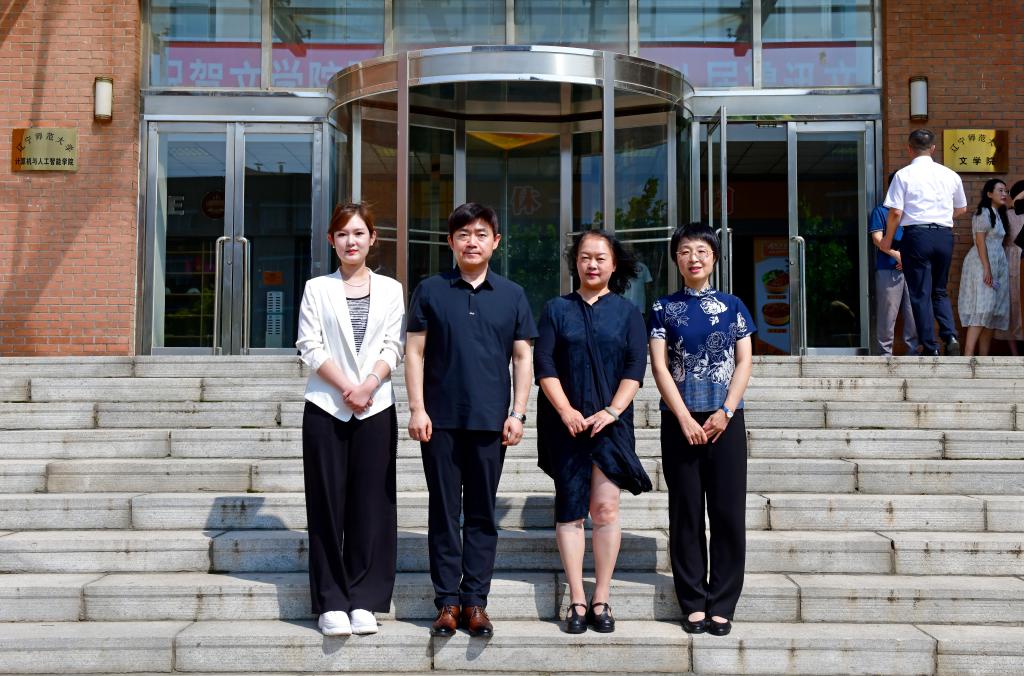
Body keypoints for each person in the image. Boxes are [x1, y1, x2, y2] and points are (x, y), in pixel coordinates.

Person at [405, 202, 537, 638]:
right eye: (463, 234)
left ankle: (476, 602)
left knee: (481, 514)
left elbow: (523, 357)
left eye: (481, 234)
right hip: (439, 421)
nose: (472, 242)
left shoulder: (513, 294)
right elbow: (415, 352)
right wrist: (417, 408)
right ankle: (446, 602)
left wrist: (518, 412)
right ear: (450, 242)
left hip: (490, 422)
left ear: (495, 242)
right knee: (443, 512)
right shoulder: (430, 289)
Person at [295, 202, 406, 637]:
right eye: (342, 234)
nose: (351, 241)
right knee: (326, 504)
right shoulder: (317, 288)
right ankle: (330, 601)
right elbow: (309, 345)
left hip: (376, 406)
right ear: (331, 241)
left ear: (372, 238)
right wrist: (348, 387)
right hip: (327, 405)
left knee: (371, 504)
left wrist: (369, 385)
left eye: (359, 233)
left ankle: (364, 599)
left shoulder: (391, 289)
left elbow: (394, 345)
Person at [534, 230, 652, 635]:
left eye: (601, 258)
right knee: (570, 510)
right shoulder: (556, 309)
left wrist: (613, 411)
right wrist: (566, 410)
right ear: (576, 262)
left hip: (610, 425)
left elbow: (635, 367)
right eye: (585, 257)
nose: (592, 264)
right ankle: (577, 598)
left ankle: (601, 596)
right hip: (565, 424)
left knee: (604, 510)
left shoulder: (628, 313)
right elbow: (544, 364)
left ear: (614, 265)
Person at [649, 222, 755, 638]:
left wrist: (726, 411)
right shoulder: (662, 307)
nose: (693, 258)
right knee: (686, 512)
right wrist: (683, 417)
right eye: (685, 251)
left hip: (725, 422)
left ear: (714, 258)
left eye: (701, 251)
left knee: (727, 512)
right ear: (676, 259)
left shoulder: (733, 306)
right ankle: (693, 602)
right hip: (681, 421)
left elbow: (744, 362)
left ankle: (723, 603)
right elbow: (659, 366)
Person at [881, 128, 968, 356]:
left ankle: (931, 347)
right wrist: (942, 217)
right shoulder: (950, 175)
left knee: (920, 293)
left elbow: (895, 212)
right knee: (939, 290)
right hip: (944, 235)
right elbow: (961, 208)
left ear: (909, 149)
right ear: (933, 148)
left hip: (917, 235)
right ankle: (950, 336)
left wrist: (888, 240)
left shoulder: (903, 175)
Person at [957, 179, 1012, 356]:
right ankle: (968, 356)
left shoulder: (999, 214)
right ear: (989, 194)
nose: (1004, 194)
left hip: (997, 265)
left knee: (991, 312)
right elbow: (980, 242)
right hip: (981, 264)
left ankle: (983, 359)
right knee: (983, 308)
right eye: (1000, 190)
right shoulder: (983, 213)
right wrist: (987, 268)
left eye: (1006, 191)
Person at [869, 173, 918, 355]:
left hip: (912, 270)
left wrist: (908, 259)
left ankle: (913, 353)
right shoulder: (881, 211)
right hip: (888, 269)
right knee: (887, 314)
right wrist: (898, 256)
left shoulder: (912, 213)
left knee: (913, 313)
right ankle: (884, 355)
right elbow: (877, 239)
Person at [994, 180, 1024, 354]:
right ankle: (1015, 354)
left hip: (1015, 259)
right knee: (1011, 305)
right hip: (1010, 261)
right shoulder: (1006, 215)